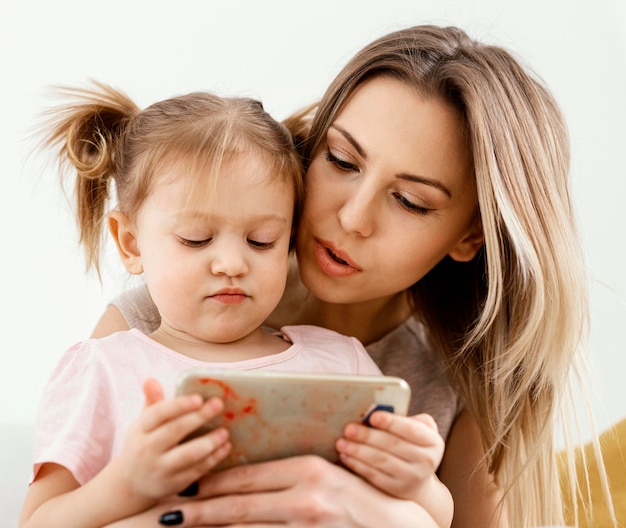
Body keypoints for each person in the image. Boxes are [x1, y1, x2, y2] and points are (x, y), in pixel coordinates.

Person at [72, 24, 611, 528]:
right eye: (342, 160)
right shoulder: (157, 321)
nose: (352, 218)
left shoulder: (465, 376)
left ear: (470, 237)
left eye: (410, 201)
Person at [19, 85, 452, 528]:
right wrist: (127, 484)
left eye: (261, 241)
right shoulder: (104, 368)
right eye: (196, 239)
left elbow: (432, 517)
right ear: (130, 243)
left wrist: (421, 485)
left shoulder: (342, 363)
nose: (231, 264)